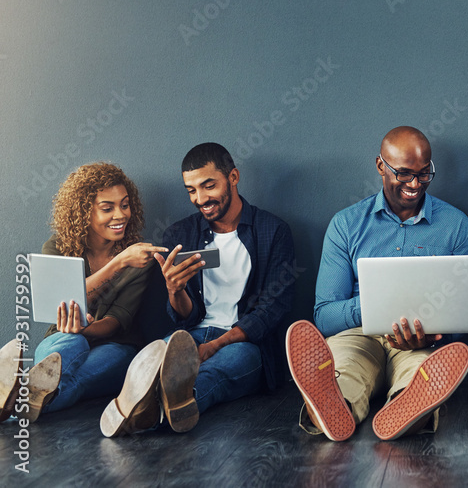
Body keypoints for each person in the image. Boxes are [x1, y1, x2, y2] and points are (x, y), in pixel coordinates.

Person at [286, 126, 468, 442]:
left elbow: (463, 312)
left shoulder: (455, 224)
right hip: (359, 333)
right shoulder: (346, 224)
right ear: (380, 166)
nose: (415, 184)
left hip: (419, 337)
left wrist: (431, 335)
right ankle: (330, 405)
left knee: (419, 374)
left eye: (424, 173)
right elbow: (326, 315)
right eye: (403, 174)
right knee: (344, 368)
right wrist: (378, 305)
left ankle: (408, 410)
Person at [99, 143, 297, 437]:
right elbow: (184, 317)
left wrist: (214, 346)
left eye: (208, 186)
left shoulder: (272, 231)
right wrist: (174, 290)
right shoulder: (181, 234)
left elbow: (271, 311)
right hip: (190, 335)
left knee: (210, 373)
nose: (200, 198)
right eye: (191, 190)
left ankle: (147, 410)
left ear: (233, 177)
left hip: (243, 343)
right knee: (155, 360)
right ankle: (156, 406)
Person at [1, 163, 165, 423]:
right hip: (62, 339)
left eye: (124, 205)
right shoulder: (57, 247)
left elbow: (114, 323)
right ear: (83, 212)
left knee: (76, 379)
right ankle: (23, 398)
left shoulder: (138, 258)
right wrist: (118, 263)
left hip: (115, 347)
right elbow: (63, 300)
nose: (120, 215)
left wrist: (84, 329)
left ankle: (12, 402)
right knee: (71, 343)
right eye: (107, 208)